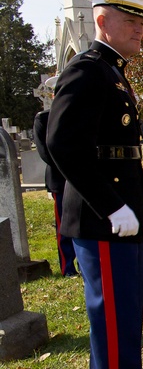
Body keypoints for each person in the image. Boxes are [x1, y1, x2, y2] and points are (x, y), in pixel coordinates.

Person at [46, 0, 143, 369]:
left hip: (121, 213)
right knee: (112, 316)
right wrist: (110, 206)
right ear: (102, 21)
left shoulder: (111, 72)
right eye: (131, 21)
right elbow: (61, 142)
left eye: (142, 22)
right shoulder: (86, 71)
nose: (141, 29)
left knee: (122, 313)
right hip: (105, 218)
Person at [33, 75, 78, 277]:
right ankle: (67, 267)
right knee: (64, 227)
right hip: (60, 181)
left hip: (82, 179)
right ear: (53, 95)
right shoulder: (43, 119)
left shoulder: (79, 117)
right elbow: (45, 153)